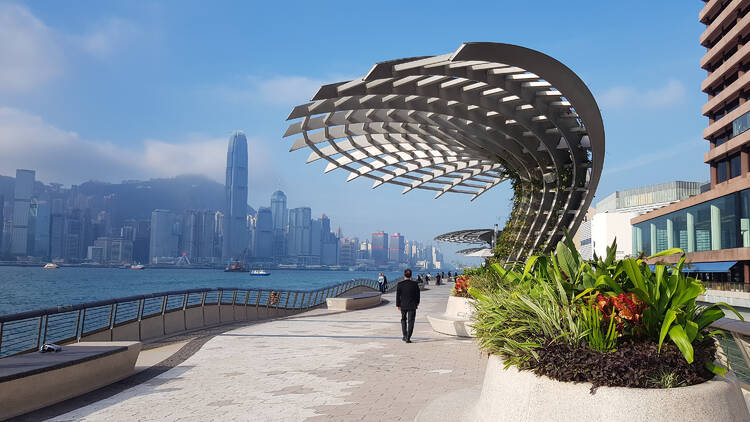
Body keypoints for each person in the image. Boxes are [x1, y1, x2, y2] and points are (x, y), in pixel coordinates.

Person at [396, 268, 420, 343]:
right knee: (411, 321)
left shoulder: (400, 284)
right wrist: (417, 303)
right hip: (412, 305)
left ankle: (405, 335)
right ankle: (408, 337)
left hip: (403, 305)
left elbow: (398, 296)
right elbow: (418, 295)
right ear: (411, 276)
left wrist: (398, 305)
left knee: (403, 320)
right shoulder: (415, 284)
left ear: (404, 275)